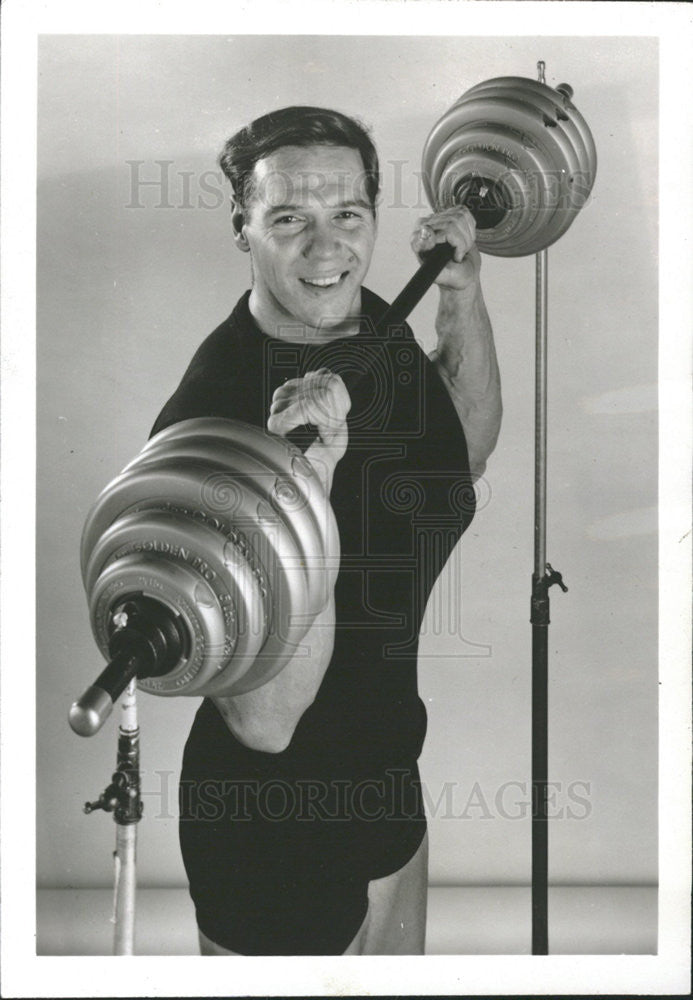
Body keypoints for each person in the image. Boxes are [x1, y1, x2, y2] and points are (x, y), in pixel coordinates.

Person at [151, 106, 502, 956]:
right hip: (273, 825)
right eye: (287, 220)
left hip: (387, 781)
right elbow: (265, 722)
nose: (325, 251)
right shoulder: (211, 426)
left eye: (347, 215)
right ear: (242, 227)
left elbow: (465, 451)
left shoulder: (371, 323)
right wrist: (309, 480)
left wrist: (461, 297)